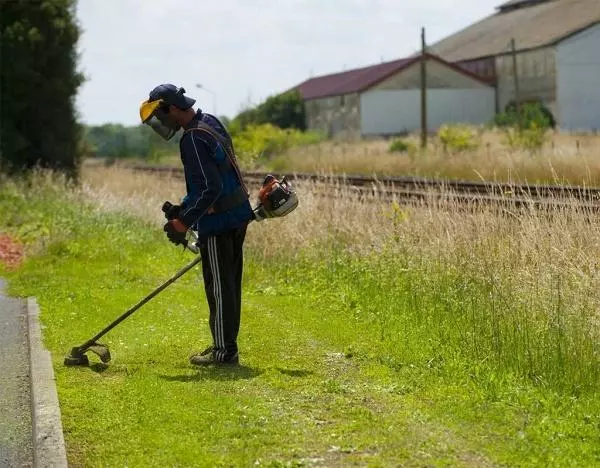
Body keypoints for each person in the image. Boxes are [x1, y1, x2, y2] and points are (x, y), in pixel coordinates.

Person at [139, 84, 253, 366]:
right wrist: (183, 207)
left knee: (218, 287)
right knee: (228, 284)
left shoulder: (191, 139)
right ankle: (225, 346)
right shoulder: (210, 122)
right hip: (237, 216)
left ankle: (224, 352)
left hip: (218, 223)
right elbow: (212, 182)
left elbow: (210, 188)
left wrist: (184, 222)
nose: (163, 122)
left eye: (162, 115)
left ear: (173, 108)